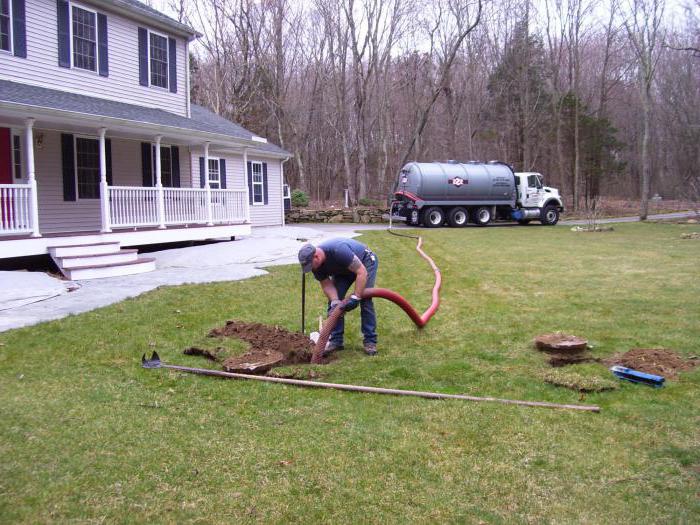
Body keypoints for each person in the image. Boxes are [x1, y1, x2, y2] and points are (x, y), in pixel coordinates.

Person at [298, 238, 379, 356]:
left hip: (365, 262)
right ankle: (336, 341)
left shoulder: (338, 250)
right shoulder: (316, 266)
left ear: (316, 256)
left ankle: (370, 341)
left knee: (365, 298)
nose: (312, 269)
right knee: (334, 303)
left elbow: (361, 272)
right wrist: (335, 301)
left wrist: (356, 297)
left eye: (311, 265)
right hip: (343, 271)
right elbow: (326, 285)